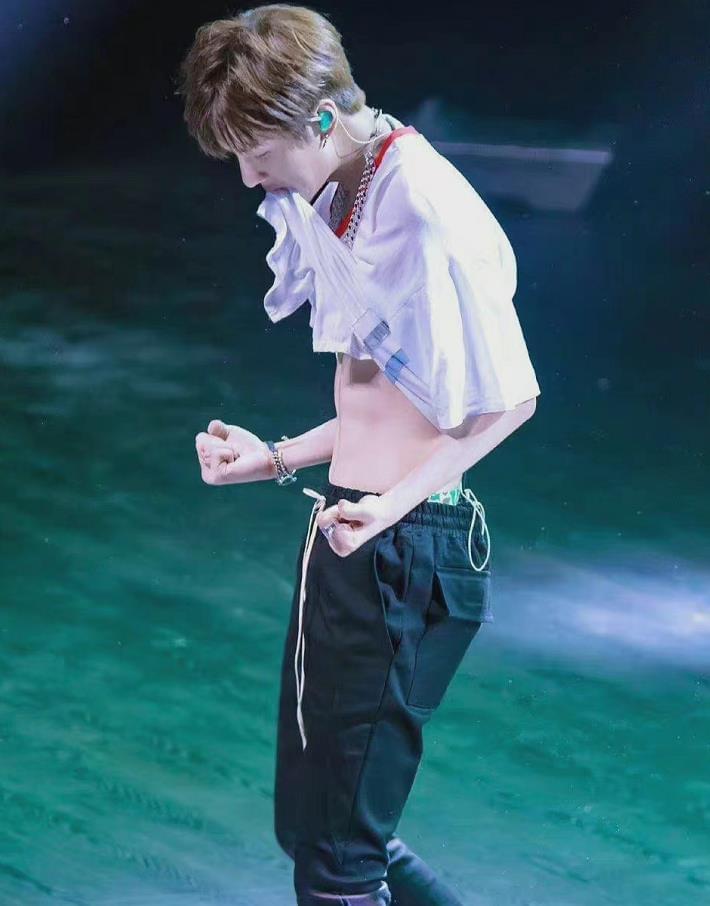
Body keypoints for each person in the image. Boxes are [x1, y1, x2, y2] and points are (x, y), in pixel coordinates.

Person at [177, 5, 540, 904]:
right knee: (317, 828)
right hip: (359, 535)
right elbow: (388, 405)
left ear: (319, 119)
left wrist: (390, 507)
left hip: (407, 551)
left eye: (258, 153)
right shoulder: (346, 186)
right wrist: (275, 458)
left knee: (339, 856)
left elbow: (510, 400)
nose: (248, 177)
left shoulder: (421, 203)